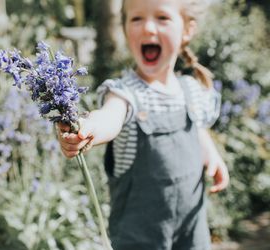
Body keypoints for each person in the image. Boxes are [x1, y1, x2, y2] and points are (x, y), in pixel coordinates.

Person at [57, 0, 230, 249]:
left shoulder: (190, 90)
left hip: (193, 235)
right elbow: (110, 116)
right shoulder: (126, 94)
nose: (148, 27)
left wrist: (212, 155)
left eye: (162, 18)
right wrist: (87, 126)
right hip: (139, 240)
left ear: (187, 30)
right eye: (136, 19)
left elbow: (197, 128)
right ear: (125, 28)